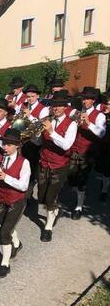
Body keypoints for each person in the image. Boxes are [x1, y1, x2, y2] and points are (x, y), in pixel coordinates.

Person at [0, 129, 30, 278]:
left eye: (9, 145)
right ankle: (17, 243)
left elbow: (23, 186)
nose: (5, 147)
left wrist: (6, 178)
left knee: (4, 233)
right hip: (0, 199)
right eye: (4, 144)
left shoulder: (24, 163)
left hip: (16, 201)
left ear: (17, 146)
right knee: (4, 225)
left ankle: (5, 264)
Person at [37, 91, 77, 242]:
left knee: (50, 198)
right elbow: (39, 142)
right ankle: (55, 210)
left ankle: (48, 227)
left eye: (60, 105)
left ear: (65, 107)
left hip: (59, 165)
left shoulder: (71, 124)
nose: (56, 108)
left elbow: (66, 145)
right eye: (54, 105)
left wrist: (51, 132)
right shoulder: (47, 120)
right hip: (43, 163)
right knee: (41, 196)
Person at [68, 86, 106, 219]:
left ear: (93, 100)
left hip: (88, 152)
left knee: (82, 179)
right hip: (74, 149)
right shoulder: (77, 112)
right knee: (72, 177)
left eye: (87, 99)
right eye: (83, 98)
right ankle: (78, 194)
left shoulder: (99, 115)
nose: (84, 101)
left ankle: (79, 206)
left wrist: (89, 123)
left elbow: (101, 133)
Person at [21, 84, 49, 190]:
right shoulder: (24, 106)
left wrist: (29, 116)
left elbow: (40, 126)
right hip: (24, 141)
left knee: (32, 169)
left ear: (37, 96)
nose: (30, 99)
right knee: (23, 168)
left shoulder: (44, 109)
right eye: (28, 96)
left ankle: (29, 193)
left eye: (32, 96)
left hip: (35, 143)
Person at [94, 90, 110, 201]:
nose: (107, 105)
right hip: (105, 146)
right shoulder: (101, 112)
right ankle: (104, 189)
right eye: (107, 103)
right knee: (106, 171)